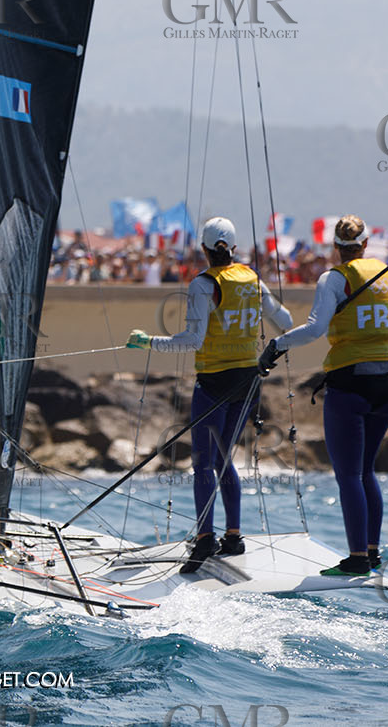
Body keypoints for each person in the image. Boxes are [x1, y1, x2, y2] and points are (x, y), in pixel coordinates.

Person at [260, 215, 388, 577]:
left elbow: (315, 329)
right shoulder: (385, 274)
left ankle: (357, 559)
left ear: (335, 247)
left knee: (348, 475)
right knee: (366, 471)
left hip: (348, 386)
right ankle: (372, 552)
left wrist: (276, 345)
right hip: (386, 386)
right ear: (365, 245)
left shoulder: (332, 279)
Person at [127, 217, 292, 574]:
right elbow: (286, 319)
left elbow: (191, 342)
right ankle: (233, 536)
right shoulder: (252, 279)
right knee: (223, 458)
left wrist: (147, 343)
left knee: (204, 463)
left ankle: (204, 539)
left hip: (215, 382)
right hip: (248, 381)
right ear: (233, 249)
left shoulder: (203, 284)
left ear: (203, 249)